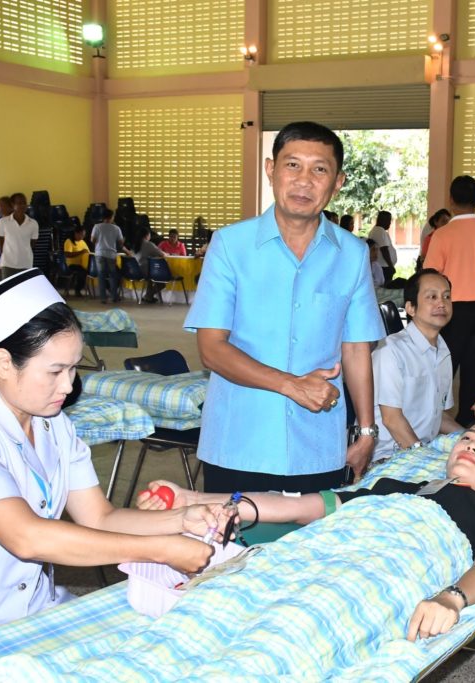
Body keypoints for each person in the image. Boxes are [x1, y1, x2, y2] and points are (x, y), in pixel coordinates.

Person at [0, 269, 225, 656]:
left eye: (74, 368)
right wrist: (161, 549)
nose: (68, 385)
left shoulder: (53, 423)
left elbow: (100, 518)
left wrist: (181, 521)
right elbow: (27, 537)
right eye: (56, 371)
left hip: (33, 612)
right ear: (5, 363)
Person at [138, 419, 475, 642]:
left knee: (287, 632)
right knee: (209, 612)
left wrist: (452, 599)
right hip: (311, 556)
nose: (472, 444)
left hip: (374, 574)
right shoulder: (395, 487)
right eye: (468, 437)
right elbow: (299, 506)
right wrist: (194, 499)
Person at [184, 121, 385, 494]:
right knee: (230, 533)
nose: (304, 181)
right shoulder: (230, 245)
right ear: (270, 169)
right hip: (239, 442)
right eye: (293, 165)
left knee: (315, 533)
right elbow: (211, 350)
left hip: (319, 445)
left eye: (319, 169)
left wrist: (367, 431)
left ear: (337, 182)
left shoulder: (353, 254)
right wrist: (291, 385)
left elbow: (357, 349)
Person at [424, 175, 475, 426]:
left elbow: (431, 274)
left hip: (452, 312)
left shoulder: (442, 234)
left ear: (451, 200)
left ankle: (432, 421)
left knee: (443, 371)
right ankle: (469, 424)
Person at [372, 269, 460, 461]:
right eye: (432, 297)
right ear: (411, 308)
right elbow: (392, 419)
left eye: (447, 296)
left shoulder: (443, 351)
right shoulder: (391, 351)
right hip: (387, 456)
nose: (442, 303)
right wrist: (424, 458)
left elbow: (438, 417)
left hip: (422, 448)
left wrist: (470, 437)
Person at [0, 193, 39, 282]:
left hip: (25, 263)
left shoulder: (33, 223)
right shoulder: (3, 222)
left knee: (24, 289)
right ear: (12, 205)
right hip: (8, 264)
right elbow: (0, 243)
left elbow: (32, 243)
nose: (23, 205)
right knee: (8, 288)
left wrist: (22, 251)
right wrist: (7, 255)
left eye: (24, 203)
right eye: (19, 203)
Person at [90, 209, 130, 304]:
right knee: (112, 275)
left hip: (99, 253)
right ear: (111, 217)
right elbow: (120, 243)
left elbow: (92, 240)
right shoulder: (116, 228)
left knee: (101, 276)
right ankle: (114, 297)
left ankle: (103, 298)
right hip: (111, 254)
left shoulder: (97, 227)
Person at [133, 225, 167, 303]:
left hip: (136, 271)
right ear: (147, 235)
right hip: (146, 272)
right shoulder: (148, 244)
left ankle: (149, 297)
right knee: (162, 282)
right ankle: (148, 295)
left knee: (150, 279)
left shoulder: (135, 244)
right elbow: (162, 254)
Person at [368, 210, 397, 285]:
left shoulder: (376, 230)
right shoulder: (379, 231)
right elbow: (384, 249)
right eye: (389, 220)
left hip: (384, 265)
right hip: (384, 266)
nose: (390, 223)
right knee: (385, 286)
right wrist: (391, 266)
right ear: (383, 220)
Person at [62, 225, 90, 297]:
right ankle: (78, 289)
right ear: (76, 233)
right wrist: (81, 252)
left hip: (82, 263)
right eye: (81, 235)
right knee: (82, 272)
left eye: (84, 235)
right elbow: (67, 254)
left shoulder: (82, 242)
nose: (82, 237)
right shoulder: (69, 241)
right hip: (72, 264)